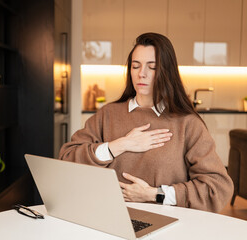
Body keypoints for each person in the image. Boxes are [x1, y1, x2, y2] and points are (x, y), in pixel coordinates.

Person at [59, 32, 233, 213]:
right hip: (108, 217)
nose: (141, 74)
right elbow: (67, 158)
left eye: (152, 67)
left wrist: (154, 194)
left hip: (169, 223)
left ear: (167, 72)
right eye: (136, 66)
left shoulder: (187, 124)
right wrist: (118, 145)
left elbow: (218, 188)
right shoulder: (108, 114)